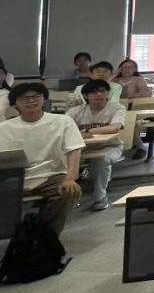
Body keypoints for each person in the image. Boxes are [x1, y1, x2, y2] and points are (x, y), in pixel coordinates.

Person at [0, 83, 84, 234]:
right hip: (15, 177)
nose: (30, 100)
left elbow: (74, 150)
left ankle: (46, 237)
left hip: (51, 176)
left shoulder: (63, 121)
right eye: (24, 98)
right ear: (14, 103)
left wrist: (71, 178)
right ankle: (15, 236)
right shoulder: (4, 128)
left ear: (44, 99)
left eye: (36, 96)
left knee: (69, 191)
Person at [66, 79, 125, 210]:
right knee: (62, 160)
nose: (98, 94)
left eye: (102, 91)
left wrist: (87, 131)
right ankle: (69, 198)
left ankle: (100, 198)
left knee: (102, 160)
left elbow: (114, 128)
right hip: (82, 149)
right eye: (93, 92)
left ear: (108, 94)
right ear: (86, 96)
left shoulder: (117, 108)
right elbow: (65, 128)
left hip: (110, 146)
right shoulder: (75, 111)